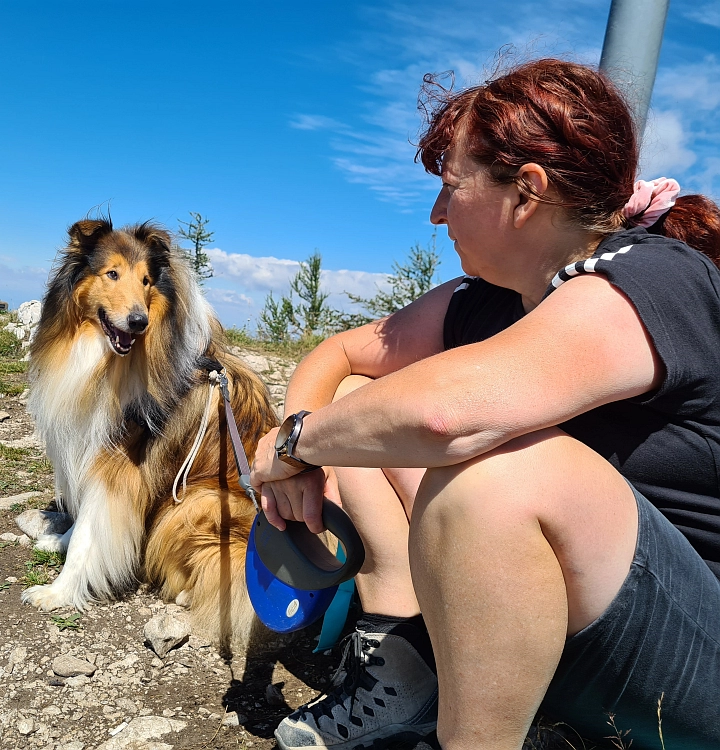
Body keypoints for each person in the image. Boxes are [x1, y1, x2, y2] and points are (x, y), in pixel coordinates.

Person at [250, 58, 720, 750]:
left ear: (525, 194)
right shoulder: (489, 300)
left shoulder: (655, 279)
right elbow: (341, 356)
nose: (436, 213)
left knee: (495, 474)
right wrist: (303, 456)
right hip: (563, 623)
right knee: (360, 404)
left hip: (687, 663)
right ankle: (401, 665)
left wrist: (291, 443)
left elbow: (447, 413)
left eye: (450, 188)